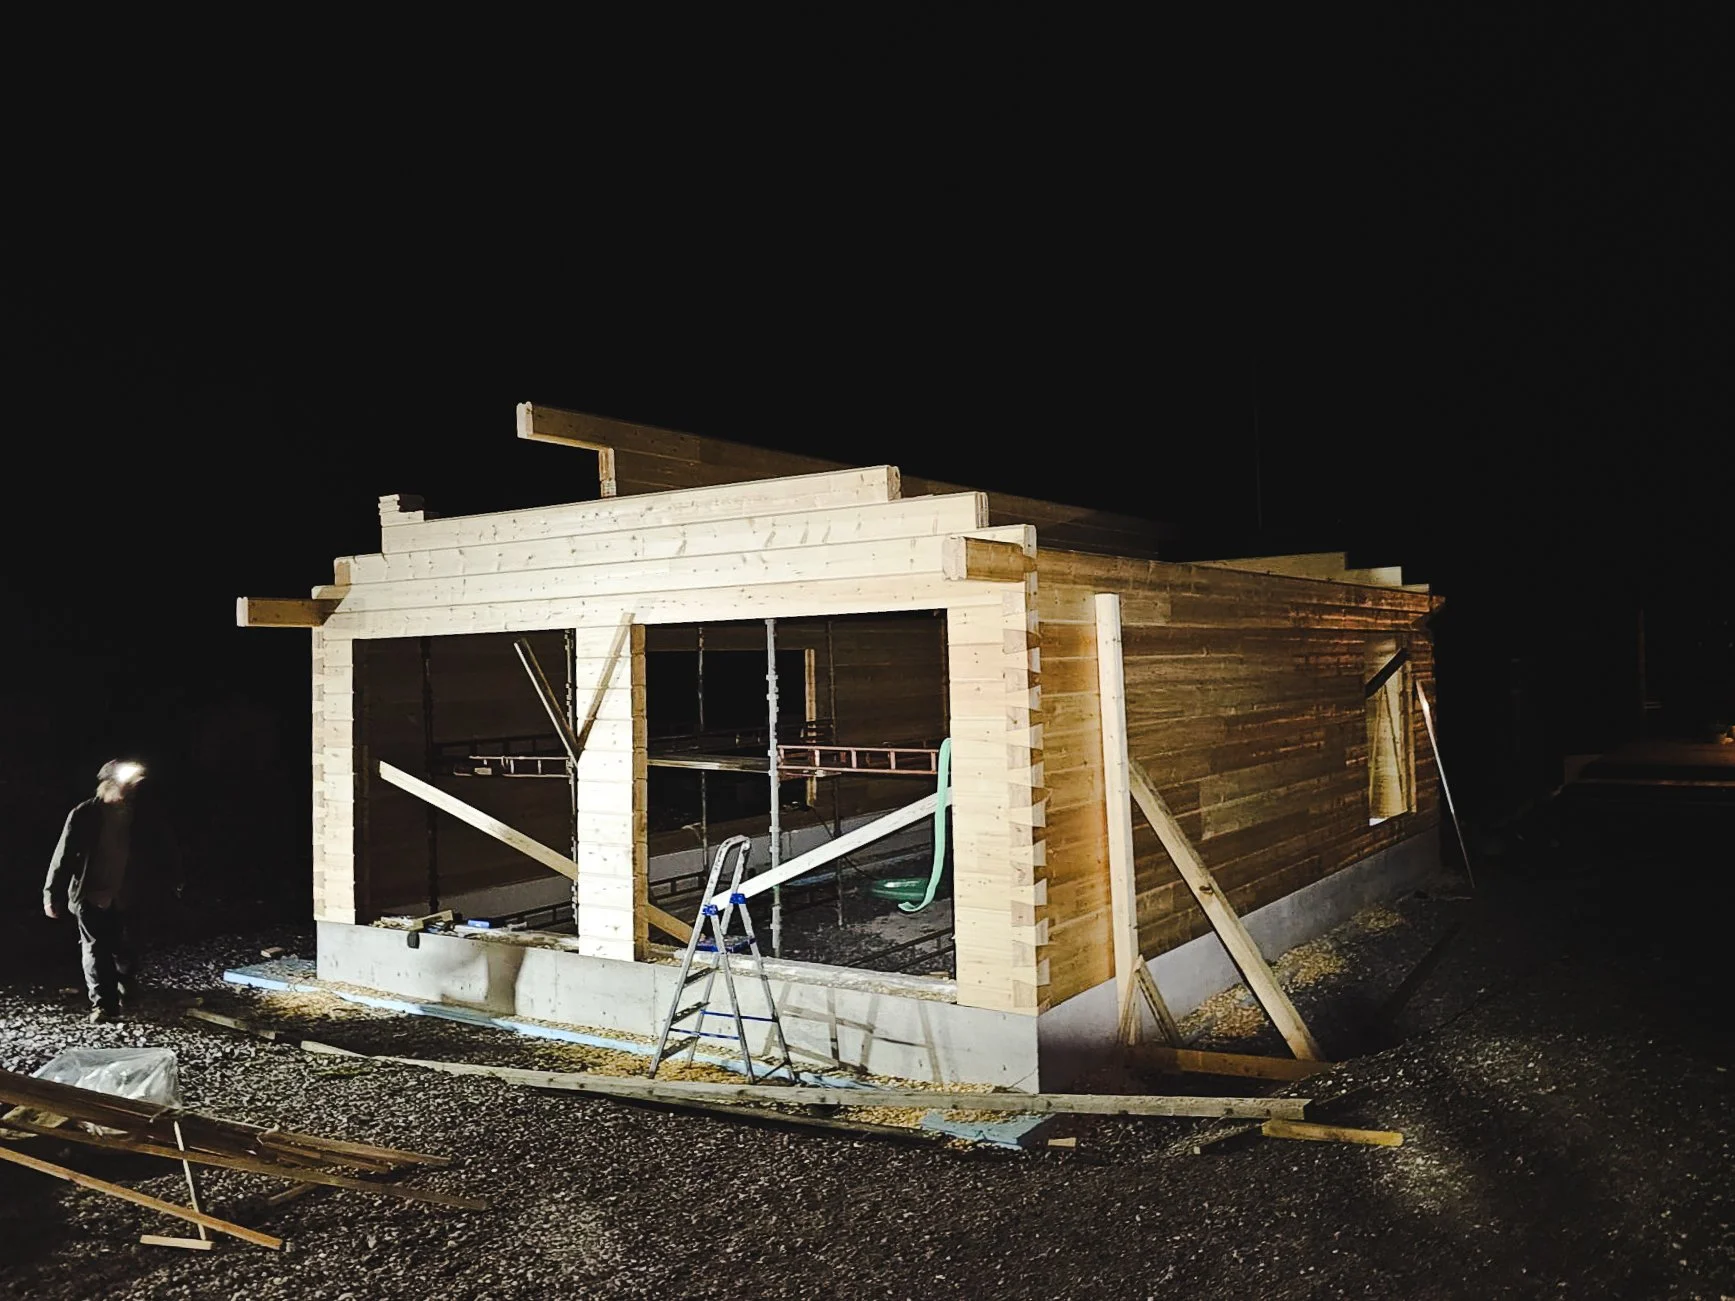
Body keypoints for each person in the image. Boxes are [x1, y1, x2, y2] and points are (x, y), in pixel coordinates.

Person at [43, 760, 177, 1023]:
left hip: (127, 894)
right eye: (125, 785)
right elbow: (64, 856)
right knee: (95, 949)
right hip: (91, 894)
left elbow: (165, 849)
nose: (130, 790)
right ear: (108, 785)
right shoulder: (85, 814)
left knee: (125, 946)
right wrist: (52, 894)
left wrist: (173, 881)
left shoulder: (141, 816)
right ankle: (104, 1005)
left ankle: (125, 981)